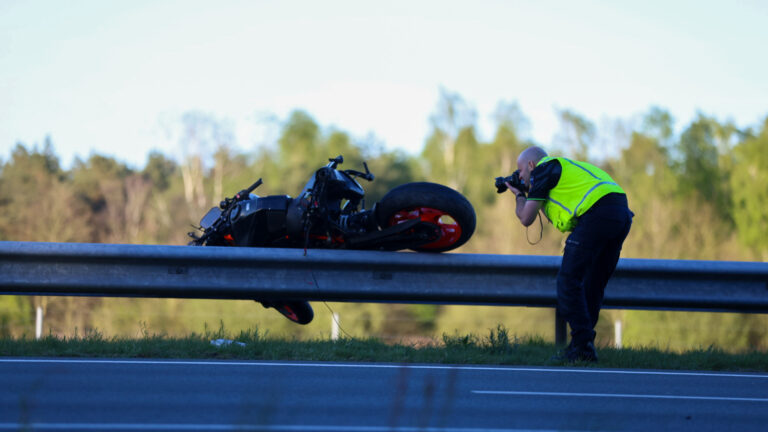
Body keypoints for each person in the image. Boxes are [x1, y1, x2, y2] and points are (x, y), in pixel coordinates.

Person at [504, 146, 633, 362]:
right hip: (620, 212)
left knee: (568, 281)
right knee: (593, 283)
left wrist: (518, 194)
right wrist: (526, 191)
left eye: (521, 171)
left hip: (598, 213)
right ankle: (582, 346)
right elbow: (537, 211)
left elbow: (526, 218)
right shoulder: (560, 170)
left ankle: (582, 346)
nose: (520, 176)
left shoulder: (543, 170)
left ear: (530, 165)